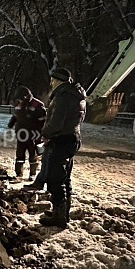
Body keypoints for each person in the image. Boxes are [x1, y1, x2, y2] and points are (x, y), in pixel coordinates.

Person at [38, 68, 86, 228]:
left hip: (61, 140)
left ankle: (59, 217)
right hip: (73, 138)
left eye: (52, 80)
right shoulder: (77, 96)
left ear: (58, 80)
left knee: (55, 178)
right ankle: (62, 212)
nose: (51, 83)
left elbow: (56, 122)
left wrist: (44, 133)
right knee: (65, 177)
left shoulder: (62, 97)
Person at [8, 86, 46, 179]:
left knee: (33, 155)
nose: (19, 101)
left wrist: (39, 133)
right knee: (20, 154)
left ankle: (32, 174)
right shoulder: (20, 104)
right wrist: (11, 124)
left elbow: (43, 121)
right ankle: (18, 173)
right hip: (21, 134)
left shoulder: (37, 105)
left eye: (20, 99)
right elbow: (16, 115)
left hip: (33, 135)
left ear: (26, 97)